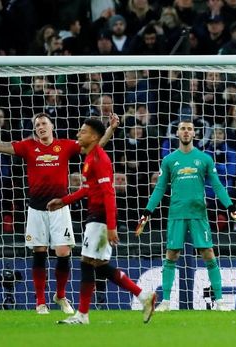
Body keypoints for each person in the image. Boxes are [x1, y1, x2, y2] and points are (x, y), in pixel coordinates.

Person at [0, 110, 118, 315]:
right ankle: (40, 302)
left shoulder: (65, 145)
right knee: (39, 252)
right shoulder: (28, 146)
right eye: (37, 125)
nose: (40, 127)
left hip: (60, 208)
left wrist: (110, 128)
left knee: (63, 252)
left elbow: (95, 146)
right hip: (36, 208)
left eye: (44, 123)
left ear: (52, 126)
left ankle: (61, 295)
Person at [47, 118, 156, 325]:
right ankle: (143, 297)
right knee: (98, 265)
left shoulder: (99, 159)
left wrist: (112, 226)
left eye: (83, 132)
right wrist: (64, 201)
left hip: (100, 219)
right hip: (96, 218)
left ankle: (83, 315)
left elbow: (108, 193)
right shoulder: (90, 158)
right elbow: (89, 189)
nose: (78, 135)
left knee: (88, 263)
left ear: (94, 137)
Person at [139, 120, 236, 312]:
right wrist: (147, 211)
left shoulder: (204, 159)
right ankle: (166, 302)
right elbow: (160, 188)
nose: (186, 132)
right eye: (182, 129)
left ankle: (220, 301)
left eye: (189, 129)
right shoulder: (169, 160)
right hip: (177, 214)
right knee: (171, 255)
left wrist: (230, 206)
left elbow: (218, 185)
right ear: (177, 133)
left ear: (194, 134)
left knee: (208, 253)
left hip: (198, 214)